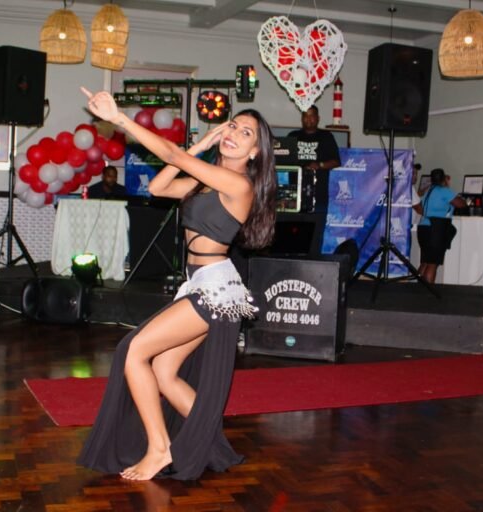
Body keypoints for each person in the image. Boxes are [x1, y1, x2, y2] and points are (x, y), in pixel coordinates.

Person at [78, 87, 277, 481]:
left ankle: (159, 448)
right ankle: (210, 445)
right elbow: (159, 188)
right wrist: (201, 145)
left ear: (255, 152)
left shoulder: (239, 186)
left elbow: (173, 156)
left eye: (247, 134)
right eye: (233, 126)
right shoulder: (205, 181)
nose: (235, 134)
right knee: (164, 370)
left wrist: (119, 119)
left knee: (133, 351)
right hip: (198, 283)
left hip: (214, 287)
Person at [287, 105, 341, 254]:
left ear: (318, 118)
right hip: (294, 196)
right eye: (305, 116)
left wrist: (320, 165)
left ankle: (313, 260)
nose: (308, 119)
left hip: (318, 195)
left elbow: (336, 161)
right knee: (291, 233)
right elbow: (283, 159)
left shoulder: (326, 136)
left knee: (316, 234)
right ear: (302, 118)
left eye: (312, 116)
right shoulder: (293, 136)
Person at [415, 168, 466, 284]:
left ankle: (417, 290)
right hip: (436, 229)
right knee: (433, 263)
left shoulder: (428, 191)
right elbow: (461, 204)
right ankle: (428, 292)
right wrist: (447, 186)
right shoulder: (444, 191)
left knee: (425, 262)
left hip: (423, 228)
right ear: (444, 179)